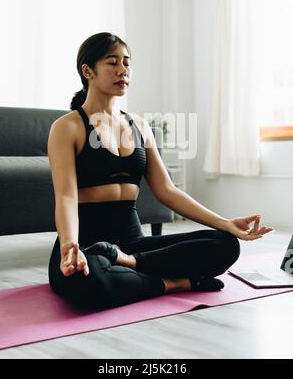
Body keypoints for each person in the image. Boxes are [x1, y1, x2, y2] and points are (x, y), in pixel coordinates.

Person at [48, 32, 273, 310]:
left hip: (133, 246)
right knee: (88, 279)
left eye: (127, 63)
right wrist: (69, 247)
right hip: (88, 245)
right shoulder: (67, 127)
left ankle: (130, 265)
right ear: (88, 70)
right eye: (112, 62)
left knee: (224, 244)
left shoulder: (140, 126)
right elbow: (66, 197)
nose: (122, 70)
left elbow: (167, 191)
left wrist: (225, 223)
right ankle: (175, 283)